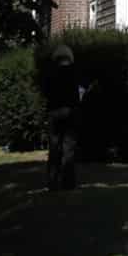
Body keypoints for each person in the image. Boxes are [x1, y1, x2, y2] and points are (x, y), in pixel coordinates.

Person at [44, 44, 80, 191]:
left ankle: (52, 182)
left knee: (54, 147)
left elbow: (46, 93)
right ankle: (68, 182)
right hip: (70, 112)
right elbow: (78, 93)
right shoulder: (74, 73)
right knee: (69, 148)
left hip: (54, 112)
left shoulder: (51, 74)